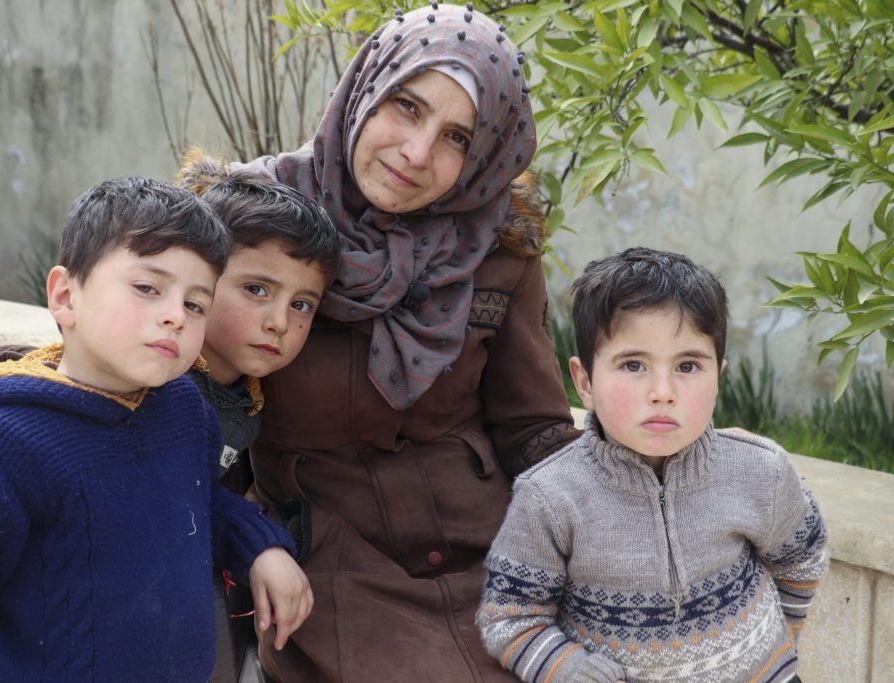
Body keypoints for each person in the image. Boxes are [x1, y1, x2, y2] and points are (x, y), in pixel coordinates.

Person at [179, 3, 580, 680]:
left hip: (495, 559)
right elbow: (151, 371)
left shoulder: (496, 247)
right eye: (407, 106)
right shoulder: (248, 222)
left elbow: (533, 429)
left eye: (457, 137)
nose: (417, 153)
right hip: (328, 569)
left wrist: (641, 495)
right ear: (366, 89)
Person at [0, 177, 313, 682]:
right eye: (148, 288)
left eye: (195, 304)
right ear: (65, 295)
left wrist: (260, 546)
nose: (175, 316)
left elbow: (196, 501)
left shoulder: (184, 409)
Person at [476, 247, 829, 682]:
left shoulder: (760, 470)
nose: (663, 391)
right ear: (584, 382)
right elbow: (510, 618)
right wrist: (571, 670)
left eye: (688, 366)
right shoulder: (550, 496)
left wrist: (781, 638)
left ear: (718, 377)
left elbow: (801, 556)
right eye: (633, 365)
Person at [184, 172, 341, 682]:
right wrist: (260, 543)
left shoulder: (242, 396)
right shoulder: (161, 381)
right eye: (257, 289)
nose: (279, 322)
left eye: (301, 305)